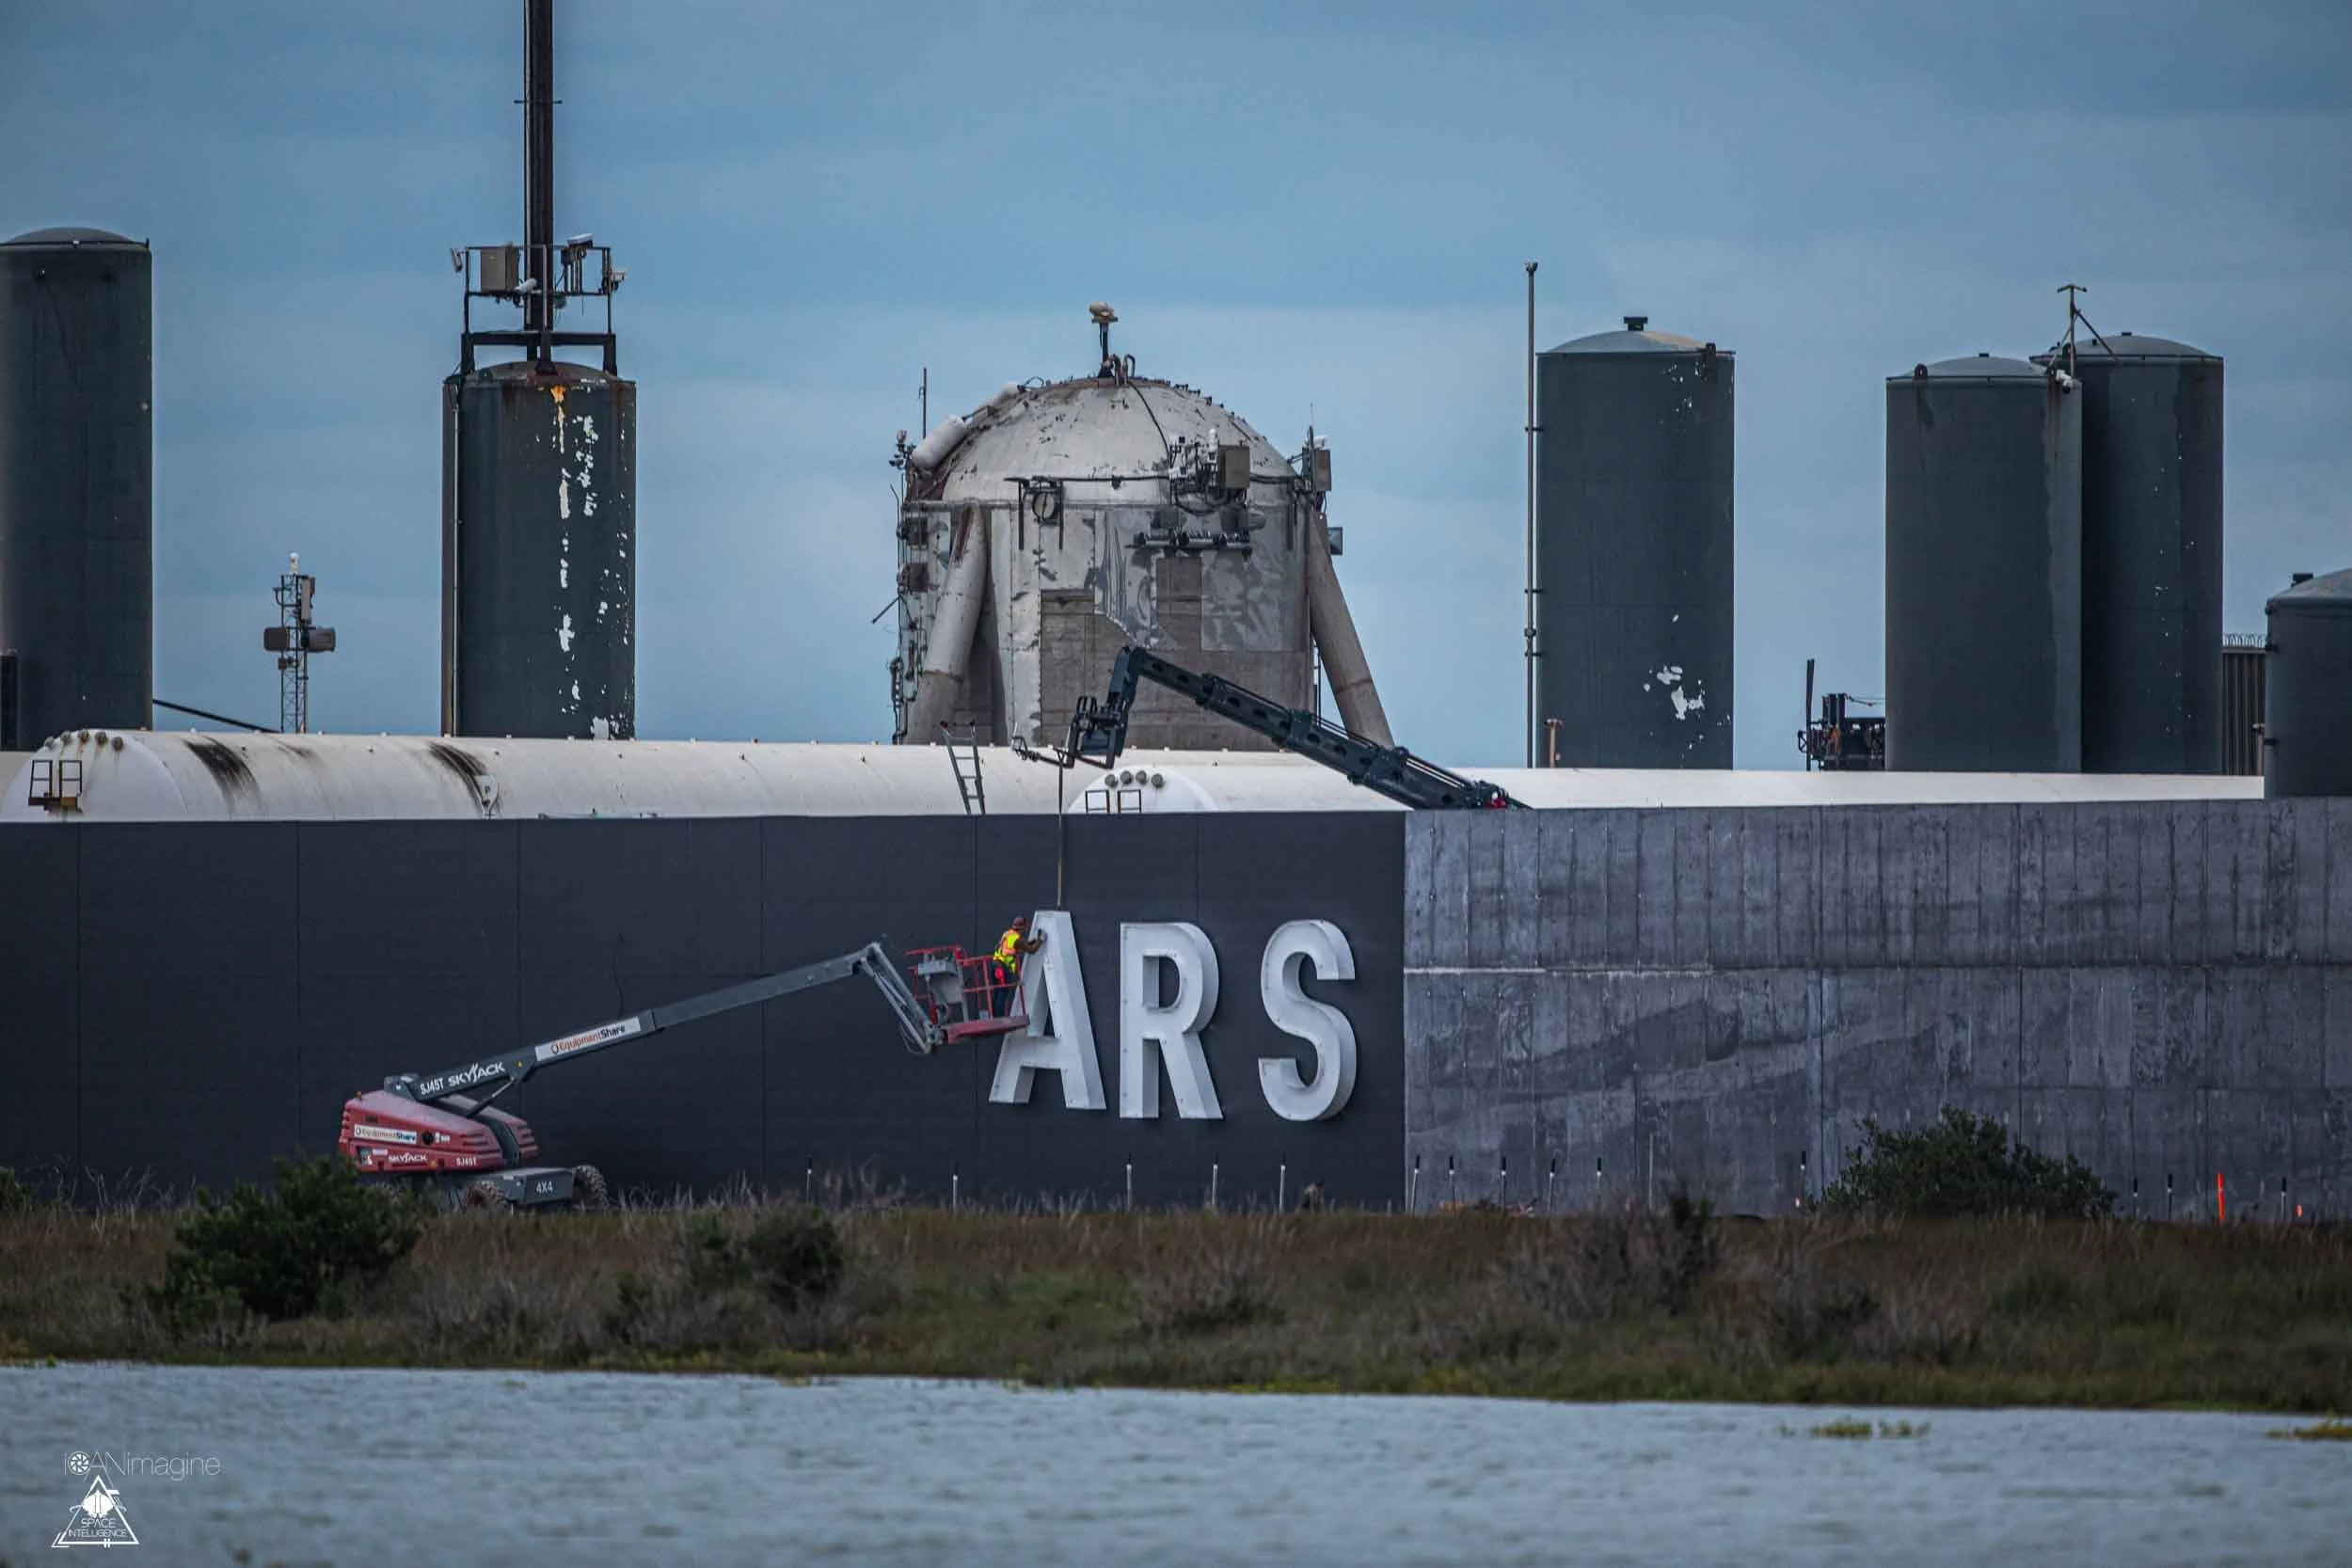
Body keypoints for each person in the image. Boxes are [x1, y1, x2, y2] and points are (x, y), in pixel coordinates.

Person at [990, 915, 1043, 1017]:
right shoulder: (1018, 940)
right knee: (1002, 994)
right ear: (1022, 928)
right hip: (1004, 968)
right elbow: (1032, 950)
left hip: (994, 965)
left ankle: (994, 1018)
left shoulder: (1007, 934)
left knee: (996, 993)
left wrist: (1032, 941)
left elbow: (1019, 945)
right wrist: (1040, 940)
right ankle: (999, 1020)